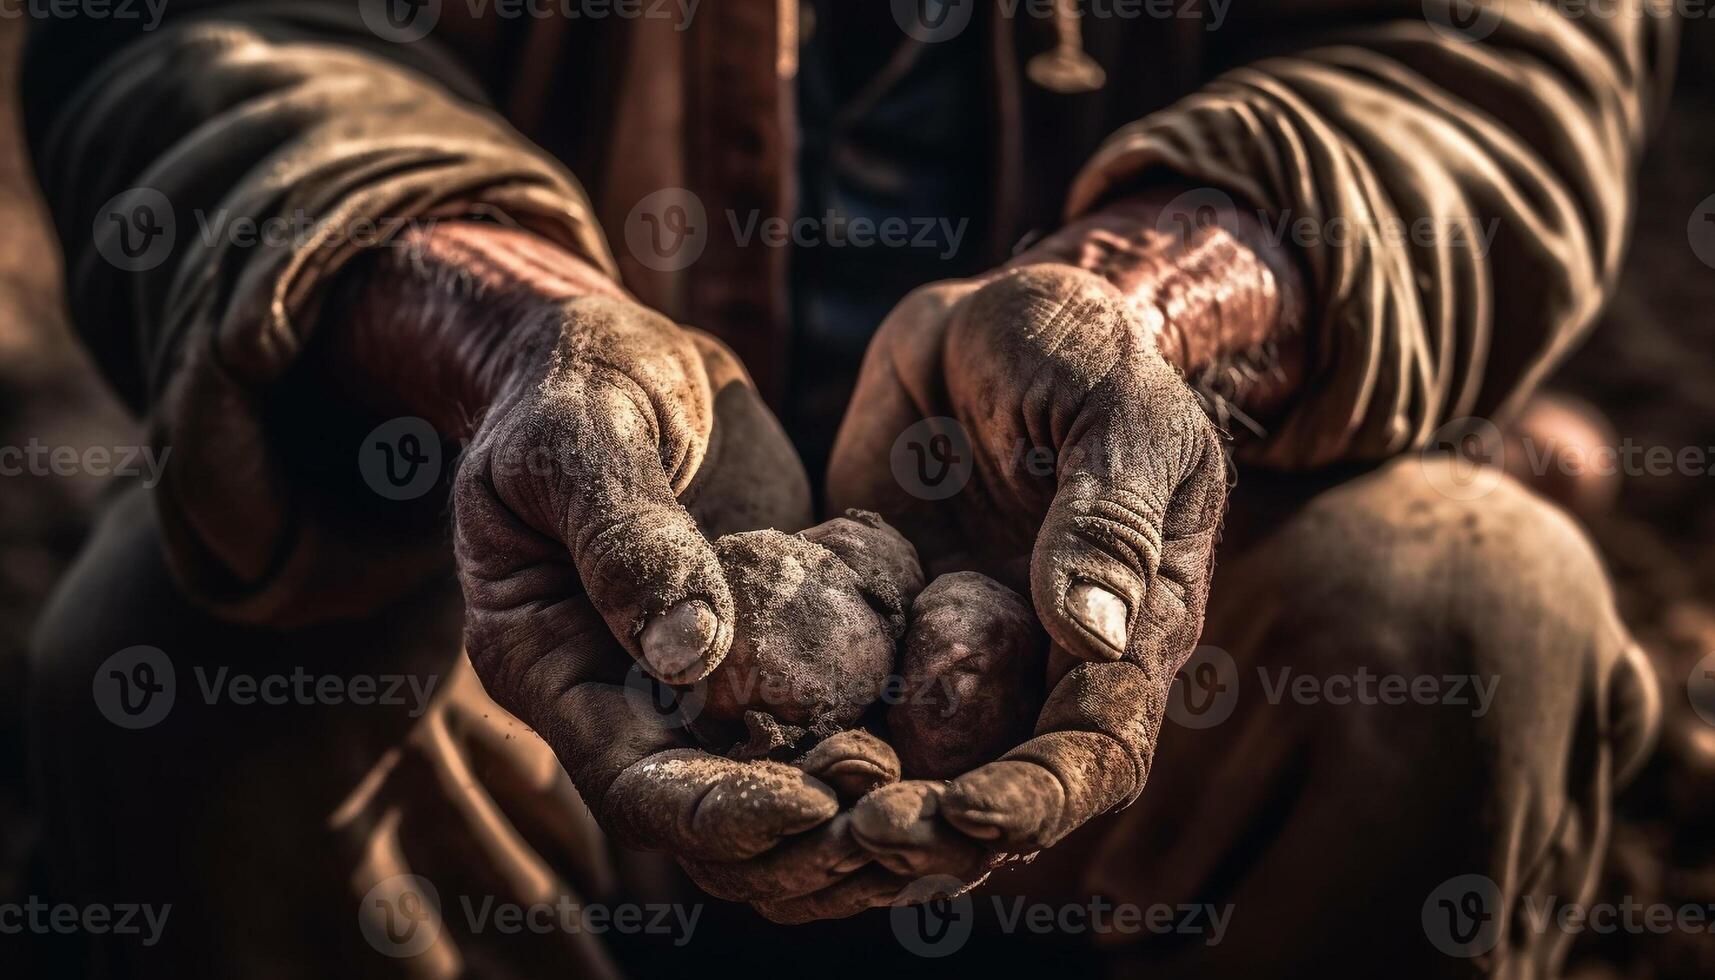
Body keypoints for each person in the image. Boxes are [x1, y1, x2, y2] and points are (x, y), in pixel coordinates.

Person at [21, 1, 1671, 975]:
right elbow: (180, 41)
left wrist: (1145, 303)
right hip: (532, 562)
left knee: (1473, 607)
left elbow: (1506, 53)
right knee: (155, 666)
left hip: (1168, 558)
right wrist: (511, 336)